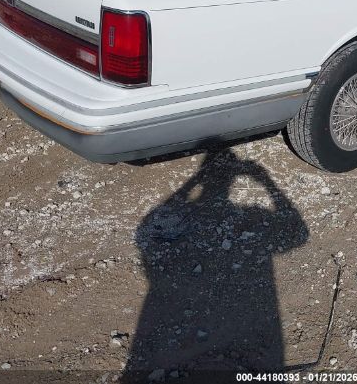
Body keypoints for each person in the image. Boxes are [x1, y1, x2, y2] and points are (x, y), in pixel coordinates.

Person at [125, 147, 309, 377]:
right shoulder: (253, 212)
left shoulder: (163, 220)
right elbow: (300, 234)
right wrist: (266, 181)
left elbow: (145, 233)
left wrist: (194, 181)